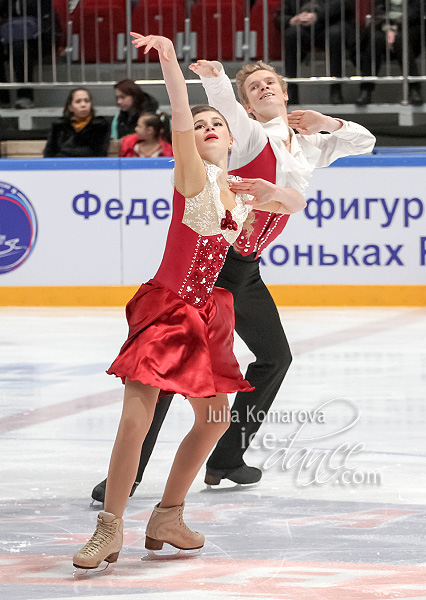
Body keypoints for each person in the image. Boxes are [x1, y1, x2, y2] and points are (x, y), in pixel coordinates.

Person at [90, 58, 375, 504]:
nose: (262, 88)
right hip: (214, 266)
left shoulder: (308, 145)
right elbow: (223, 103)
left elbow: (365, 142)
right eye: (254, 87)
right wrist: (215, 77)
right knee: (167, 370)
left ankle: (225, 457)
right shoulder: (245, 134)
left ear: (284, 92)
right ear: (246, 104)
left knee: (275, 357)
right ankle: (129, 475)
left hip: (246, 271)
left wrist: (328, 121)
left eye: (270, 83)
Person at [73, 34, 305, 570]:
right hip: (168, 308)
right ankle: (108, 529)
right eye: (199, 127)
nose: (207, 128)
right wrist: (171, 60)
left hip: (208, 314)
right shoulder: (191, 176)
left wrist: (274, 194)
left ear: (232, 137)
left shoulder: (242, 189)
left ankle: (168, 516)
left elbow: (296, 198)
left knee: (216, 419)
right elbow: (181, 108)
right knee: (135, 420)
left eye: (216, 124)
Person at [273, 0, 357, 105]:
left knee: (336, 34)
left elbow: (342, 6)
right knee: (292, 34)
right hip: (303, 27)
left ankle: (336, 90)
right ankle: (291, 91)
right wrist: (291, 20)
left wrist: (317, 16)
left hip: (331, 23)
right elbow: (279, 16)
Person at [356, 0, 424, 106]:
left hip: (410, 26)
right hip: (384, 25)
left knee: (401, 40)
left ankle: (414, 89)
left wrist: (396, 26)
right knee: (376, 39)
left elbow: (417, 11)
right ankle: (366, 90)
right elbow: (378, 10)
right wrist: (388, 27)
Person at [0, 0, 53, 108]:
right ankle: (3, 96)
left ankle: (25, 96)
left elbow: (47, 22)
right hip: (9, 37)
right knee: (16, 45)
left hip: (37, 39)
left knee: (19, 48)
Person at [43, 87, 110, 158]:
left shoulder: (101, 126)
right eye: (78, 101)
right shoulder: (59, 126)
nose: (83, 105)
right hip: (63, 167)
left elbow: (99, 153)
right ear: (70, 107)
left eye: (87, 101)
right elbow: (49, 154)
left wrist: (65, 151)